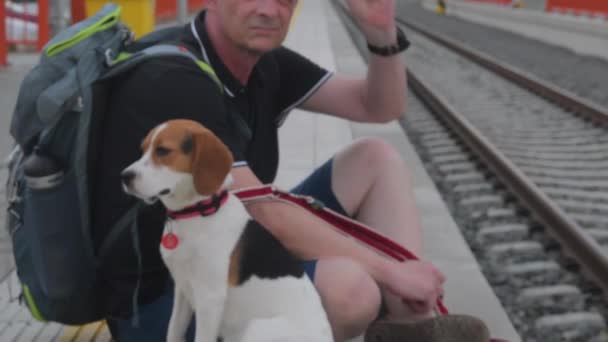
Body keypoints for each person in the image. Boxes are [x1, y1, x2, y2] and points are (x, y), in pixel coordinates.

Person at [93, 0, 489, 341]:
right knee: (350, 291)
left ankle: (411, 327)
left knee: (376, 160)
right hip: (161, 301)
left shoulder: (263, 62)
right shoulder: (175, 79)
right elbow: (267, 214)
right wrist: (390, 272)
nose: (269, 10)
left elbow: (378, 107)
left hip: (229, 252)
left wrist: (382, 33)